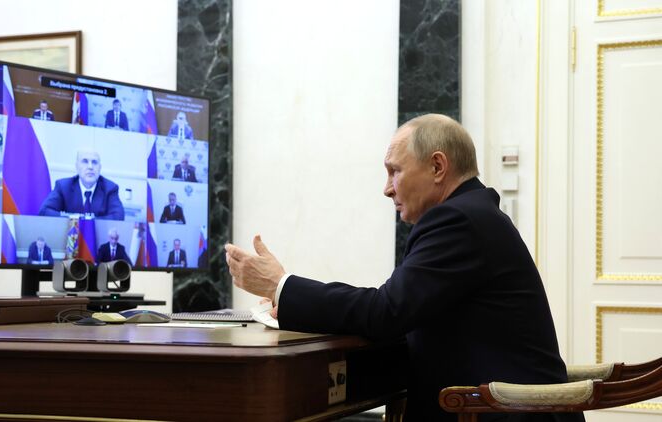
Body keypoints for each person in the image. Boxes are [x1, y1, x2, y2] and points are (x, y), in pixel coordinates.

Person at [225, 114, 584, 422]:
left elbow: (386, 311)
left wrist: (280, 285)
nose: (387, 189)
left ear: (437, 167)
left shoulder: (457, 220)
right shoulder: (473, 213)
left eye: (394, 171)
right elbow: (399, 307)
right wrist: (292, 301)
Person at [38, 150, 125, 220]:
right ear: (77, 166)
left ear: (100, 167)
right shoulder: (64, 186)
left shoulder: (110, 188)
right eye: (85, 161)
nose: (90, 167)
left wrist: (88, 221)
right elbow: (44, 211)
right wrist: (75, 219)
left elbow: (118, 216)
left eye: (94, 162)